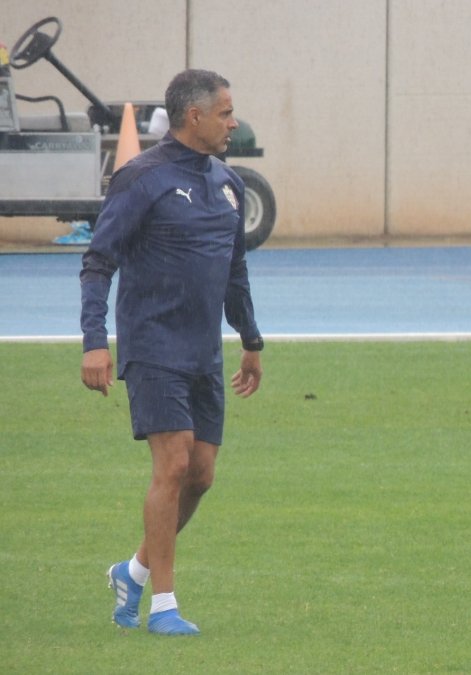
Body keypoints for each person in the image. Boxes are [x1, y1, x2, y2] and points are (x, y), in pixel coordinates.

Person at [79, 69, 264, 636]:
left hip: (204, 352)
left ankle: (132, 571)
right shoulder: (142, 178)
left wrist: (251, 340)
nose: (233, 122)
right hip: (152, 345)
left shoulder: (228, 182)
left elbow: (234, 271)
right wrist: (95, 342)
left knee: (201, 475)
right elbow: (98, 262)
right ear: (195, 116)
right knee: (174, 464)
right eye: (226, 113)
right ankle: (163, 606)